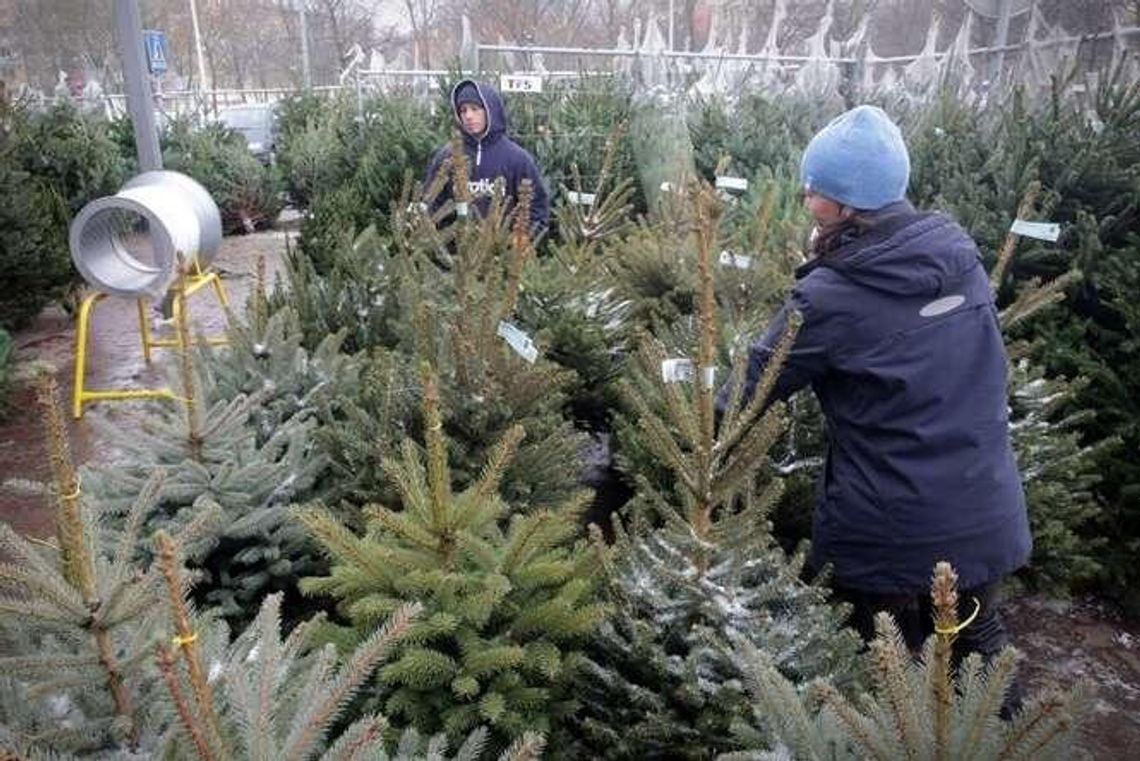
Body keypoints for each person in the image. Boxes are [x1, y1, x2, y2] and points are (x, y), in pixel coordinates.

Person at [719, 105, 1030, 712]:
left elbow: (753, 390)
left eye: (815, 190)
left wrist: (690, 427)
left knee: (892, 671)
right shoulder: (960, 261)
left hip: (891, 530)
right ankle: (1015, 743)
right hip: (984, 506)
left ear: (844, 204)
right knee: (979, 645)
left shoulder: (831, 296)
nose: (806, 199)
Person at [424, 79, 550, 236]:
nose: (468, 116)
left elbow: (537, 211)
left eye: (475, 109)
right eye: (463, 110)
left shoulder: (517, 159)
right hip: (456, 255)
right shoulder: (447, 157)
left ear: (491, 110)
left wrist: (519, 243)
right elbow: (432, 204)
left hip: (505, 253)